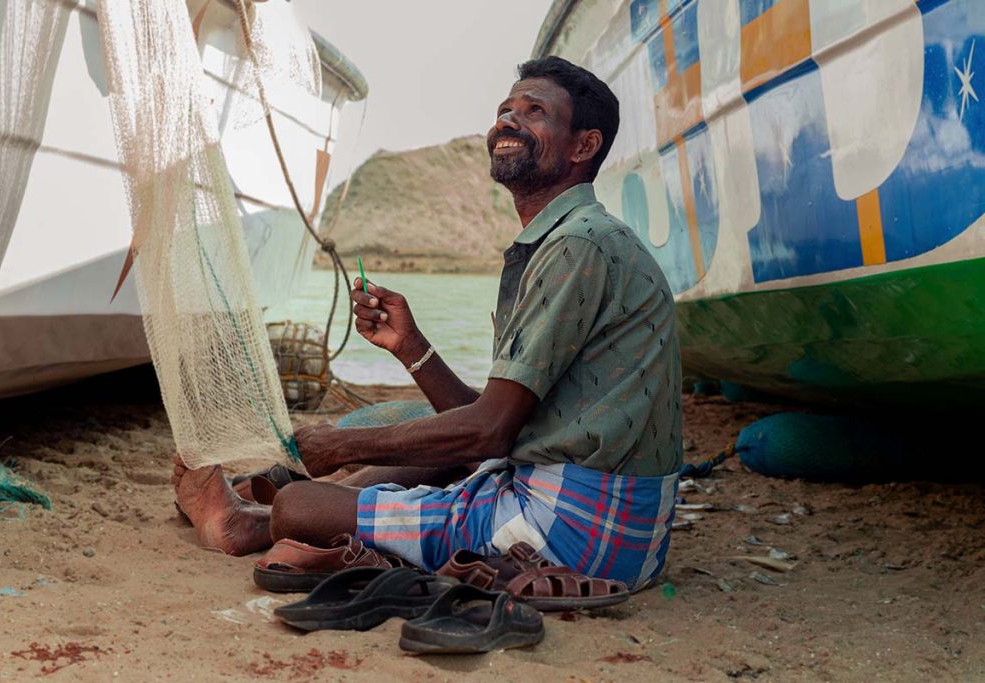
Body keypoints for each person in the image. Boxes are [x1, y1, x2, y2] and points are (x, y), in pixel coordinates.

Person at [173, 56, 682, 590]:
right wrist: (409, 346)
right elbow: (495, 426)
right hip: (604, 517)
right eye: (505, 109)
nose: (507, 122)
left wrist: (339, 448)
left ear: (583, 146)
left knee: (302, 503)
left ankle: (251, 522)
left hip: (577, 532)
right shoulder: (573, 237)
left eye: (534, 113)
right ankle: (302, 515)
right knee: (414, 430)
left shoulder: (577, 245)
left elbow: (488, 431)